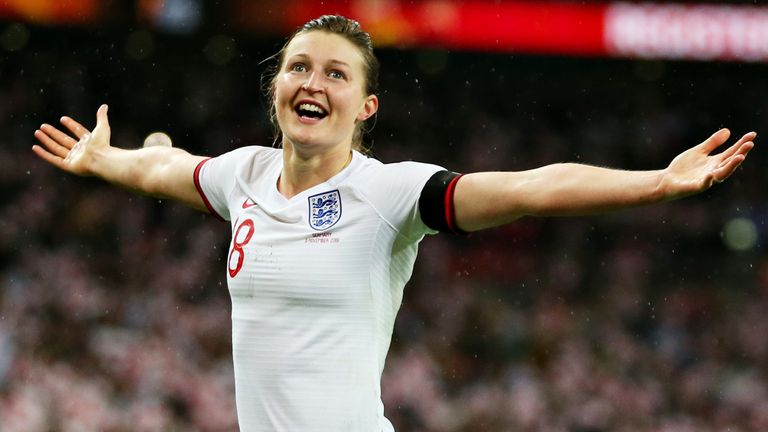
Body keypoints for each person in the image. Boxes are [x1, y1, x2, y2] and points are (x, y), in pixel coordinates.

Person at [31, 14, 756, 432]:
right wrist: (105, 159)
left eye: (337, 73)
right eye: (299, 67)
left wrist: (657, 183)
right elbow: (165, 169)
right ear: (276, 87)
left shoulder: (389, 196)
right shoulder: (242, 176)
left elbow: (536, 187)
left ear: (366, 106)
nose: (313, 82)